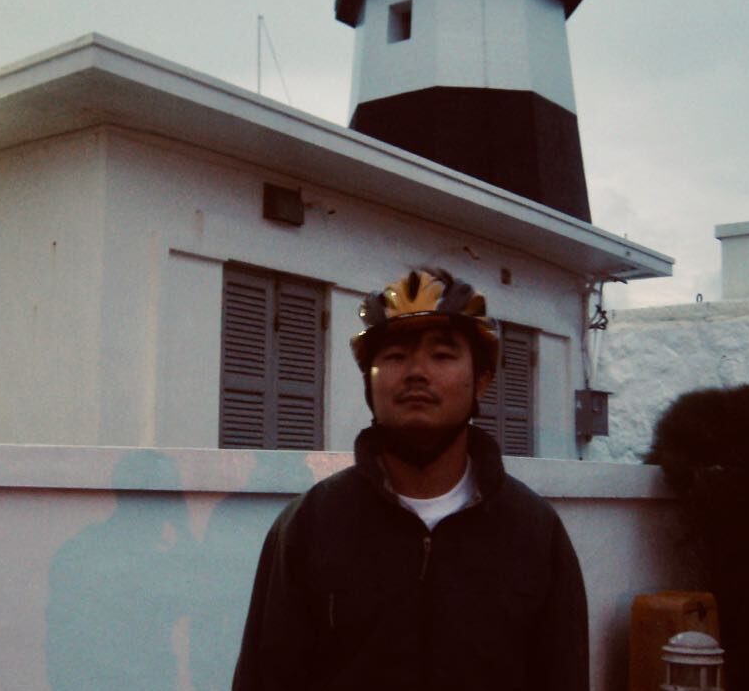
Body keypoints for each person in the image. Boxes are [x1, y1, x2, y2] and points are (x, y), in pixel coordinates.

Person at [232, 268, 589, 690]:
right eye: (396, 356)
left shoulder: (534, 532)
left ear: (482, 382)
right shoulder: (310, 526)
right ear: (369, 382)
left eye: (442, 355)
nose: (417, 371)